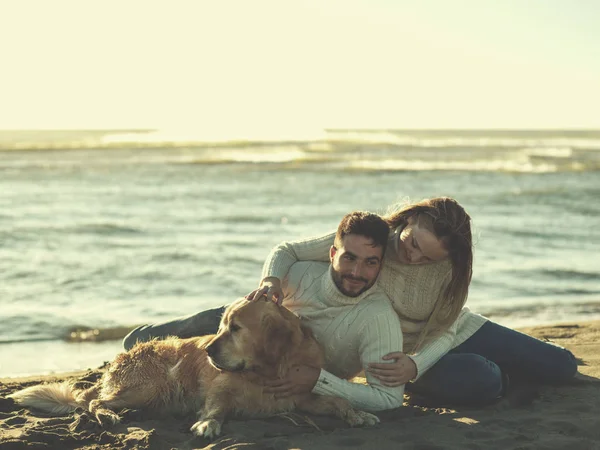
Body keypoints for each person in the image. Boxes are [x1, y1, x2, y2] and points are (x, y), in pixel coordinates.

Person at [246, 197, 578, 406]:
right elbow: (287, 250)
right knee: (484, 379)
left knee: (563, 367)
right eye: (413, 243)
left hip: (449, 335)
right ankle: (505, 376)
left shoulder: (451, 269)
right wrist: (271, 281)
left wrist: (417, 364)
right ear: (411, 218)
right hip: (398, 353)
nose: (413, 256)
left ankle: (524, 357)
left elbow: (447, 330)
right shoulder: (376, 239)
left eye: (427, 257)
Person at [124, 211, 405, 412]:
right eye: (349, 258)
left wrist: (321, 381)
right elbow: (284, 250)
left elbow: (389, 399)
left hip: (263, 341)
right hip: (243, 323)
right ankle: (140, 335)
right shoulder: (300, 272)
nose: (357, 272)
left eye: (370, 262)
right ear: (332, 254)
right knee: (176, 335)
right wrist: (271, 280)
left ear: (381, 264)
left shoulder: (378, 318)